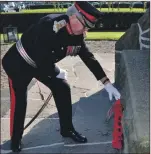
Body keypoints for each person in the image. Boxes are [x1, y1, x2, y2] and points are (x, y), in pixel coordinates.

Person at [2, 2, 121, 152]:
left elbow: (88, 57)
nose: (86, 31)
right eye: (84, 26)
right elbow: (41, 57)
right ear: (73, 17)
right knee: (20, 101)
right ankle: (16, 139)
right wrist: (56, 72)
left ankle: (67, 129)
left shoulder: (76, 35)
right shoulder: (49, 25)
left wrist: (106, 83)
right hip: (19, 62)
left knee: (63, 88)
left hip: (41, 64)